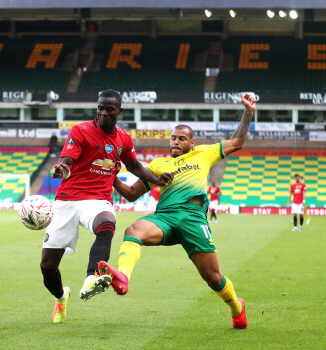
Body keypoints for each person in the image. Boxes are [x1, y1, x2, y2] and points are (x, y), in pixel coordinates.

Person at [98, 93, 257, 329]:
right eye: (173, 138)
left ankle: (236, 306)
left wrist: (248, 112)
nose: (175, 142)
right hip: (165, 218)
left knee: (213, 278)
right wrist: (112, 176)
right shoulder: (158, 166)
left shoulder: (203, 153)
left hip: (193, 218)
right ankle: (122, 277)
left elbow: (237, 143)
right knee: (133, 229)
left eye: (182, 138)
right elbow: (131, 194)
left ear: (191, 142)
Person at [41, 89, 171, 323]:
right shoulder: (80, 131)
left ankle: (92, 276)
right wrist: (63, 168)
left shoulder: (124, 139)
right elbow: (67, 160)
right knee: (48, 268)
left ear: (119, 111)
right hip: (67, 200)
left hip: (97, 200)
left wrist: (155, 179)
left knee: (107, 223)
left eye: (109, 109)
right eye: (100, 107)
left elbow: (134, 166)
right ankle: (61, 298)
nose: (103, 112)